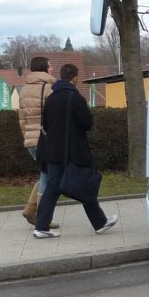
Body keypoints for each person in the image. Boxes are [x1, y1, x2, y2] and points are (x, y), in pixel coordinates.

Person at [32, 63, 118, 239]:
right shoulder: (76, 98)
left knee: (52, 189)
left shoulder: (51, 98)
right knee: (84, 184)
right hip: (73, 151)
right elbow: (87, 124)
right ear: (75, 78)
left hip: (53, 151)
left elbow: (46, 125)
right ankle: (100, 223)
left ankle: (41, 226)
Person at [17, 56, 59, 229]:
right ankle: (42, 217)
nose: (52, 69)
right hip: (46, 139)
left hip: (31, 140)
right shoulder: (49, 88)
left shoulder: (24, 90)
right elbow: (55, 117)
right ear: (44, 68)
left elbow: (22, 119)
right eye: (50, 66)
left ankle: (31, 209)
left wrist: (27, 138)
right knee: (49, 178)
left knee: (46, 174)